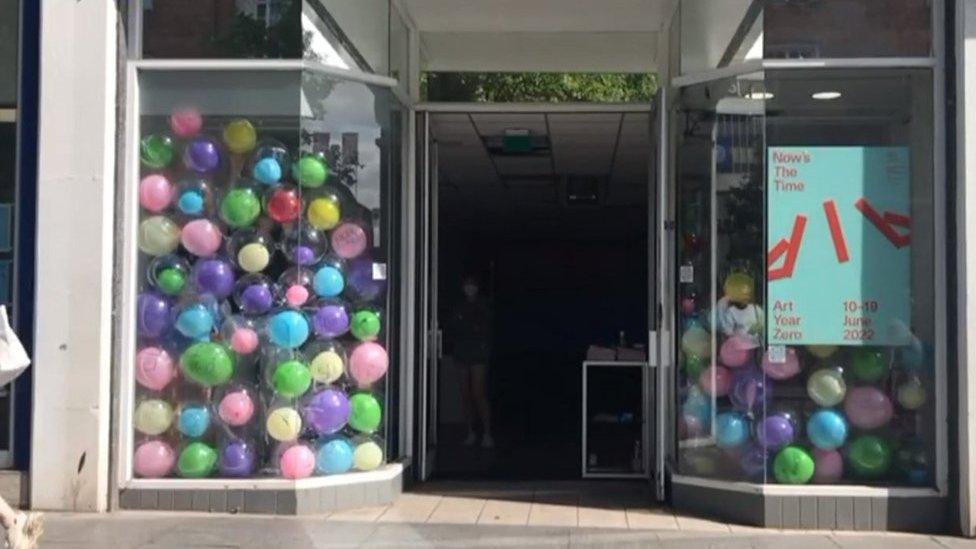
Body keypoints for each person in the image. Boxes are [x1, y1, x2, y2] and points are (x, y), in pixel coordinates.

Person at [446, 275, 494, 448]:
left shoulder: (484, 305)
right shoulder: (458, 307)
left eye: (473, 284)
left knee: (478, 393)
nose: (470, 288)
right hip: (461, 353)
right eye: (467, 285)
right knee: (465, 395)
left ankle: (487, 433)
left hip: (478, 354)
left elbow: (487, 328)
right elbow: (452, 329)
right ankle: (470, 432)